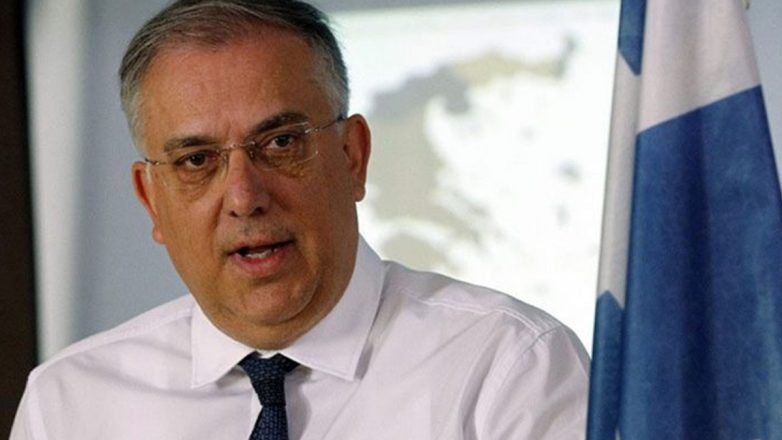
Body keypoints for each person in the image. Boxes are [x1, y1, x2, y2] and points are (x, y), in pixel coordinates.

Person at [11, 1, 589, 438]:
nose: (244, 197)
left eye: (281, 142)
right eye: (197, 161)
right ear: (152, 201)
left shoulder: (509, 368)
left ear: (353, 157)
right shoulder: (69, 404)